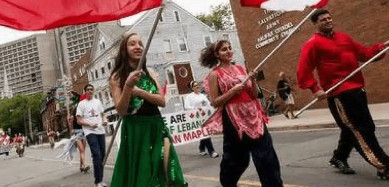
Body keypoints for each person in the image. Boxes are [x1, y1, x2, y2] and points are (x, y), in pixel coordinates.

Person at [297, 9, 389, 181]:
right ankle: (386, 168)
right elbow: (303, 71)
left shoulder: (344, 38)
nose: (328, 21)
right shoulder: (313, 43)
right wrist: (315, 89)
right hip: (340, 93)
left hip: (357, 89)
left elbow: (365, 54)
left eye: (330, 18)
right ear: (315, 24)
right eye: (323, 20)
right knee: (362, 130)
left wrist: (384, 46)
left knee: (351, 128)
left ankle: (339, 157)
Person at [200, 39, 283, 187]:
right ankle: (228, 183)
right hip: (234, 119)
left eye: (230, 48)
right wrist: (231, 92)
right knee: (236, 159)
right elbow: (215, 102)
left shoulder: (241, 69)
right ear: (217, 54)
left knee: (267, 157)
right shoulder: (215, 75)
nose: (229, 51)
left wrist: (253, 80)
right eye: (224, 49)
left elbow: (255, 95)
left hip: (254, 116)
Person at [109, 33, 187, 187]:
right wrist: (128, 86)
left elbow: (162, 101)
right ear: (124, 49)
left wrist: (141, 92)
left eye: (140, 43)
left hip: (156, 127)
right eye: (132, 44)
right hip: (135, 131)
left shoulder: (150, 72)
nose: (138, 47)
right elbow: (121, 110)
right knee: (144, 175)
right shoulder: (117, 77)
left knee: (166, 170)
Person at [76, 84, 109, 187]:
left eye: (91, 89)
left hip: (100, 130)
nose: (90, 91)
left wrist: (104, 120)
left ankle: (101, 180)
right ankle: (97, 182)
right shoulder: (81, 104)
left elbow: (103, 114)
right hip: (90, 132)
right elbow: (79, 120)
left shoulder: (98, 102)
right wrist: (90, 124)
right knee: (97, 155)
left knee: (103, 156)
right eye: (88, 90)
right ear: (85, 92)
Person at [184, 80, 219, 158]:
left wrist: (212, 109)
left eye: (197, 85)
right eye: (195, 85)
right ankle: (212, 151)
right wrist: (196, 108)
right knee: (205, 133)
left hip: (204, 117)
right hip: (196, 118)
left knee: (203, 133)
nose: (197, 86)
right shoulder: (189, 97)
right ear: (192, 88)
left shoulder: (202, 96)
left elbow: (208, 105)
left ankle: (201, 149)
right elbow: (186, 107)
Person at [71, 106, 90, 173]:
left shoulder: (82, 117)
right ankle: (84, 166)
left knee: (82, 152)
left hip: (83, 135)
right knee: (82, 150)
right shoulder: (73, 118)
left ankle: (81, 166)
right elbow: (72, 130)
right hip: (77, 136)